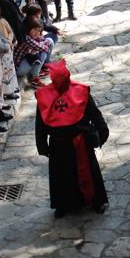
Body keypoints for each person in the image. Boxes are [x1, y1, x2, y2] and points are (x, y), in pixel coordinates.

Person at [34, 60, 109, 217]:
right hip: (58, 144)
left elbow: (94, 114)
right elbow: (40, 124)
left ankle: (96, 201)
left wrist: (101, 133)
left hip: (80, 142)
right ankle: (63, 204)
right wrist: (42, 146)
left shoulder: (81, 91)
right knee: (61, 177)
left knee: (88, 173)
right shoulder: (44, 96)